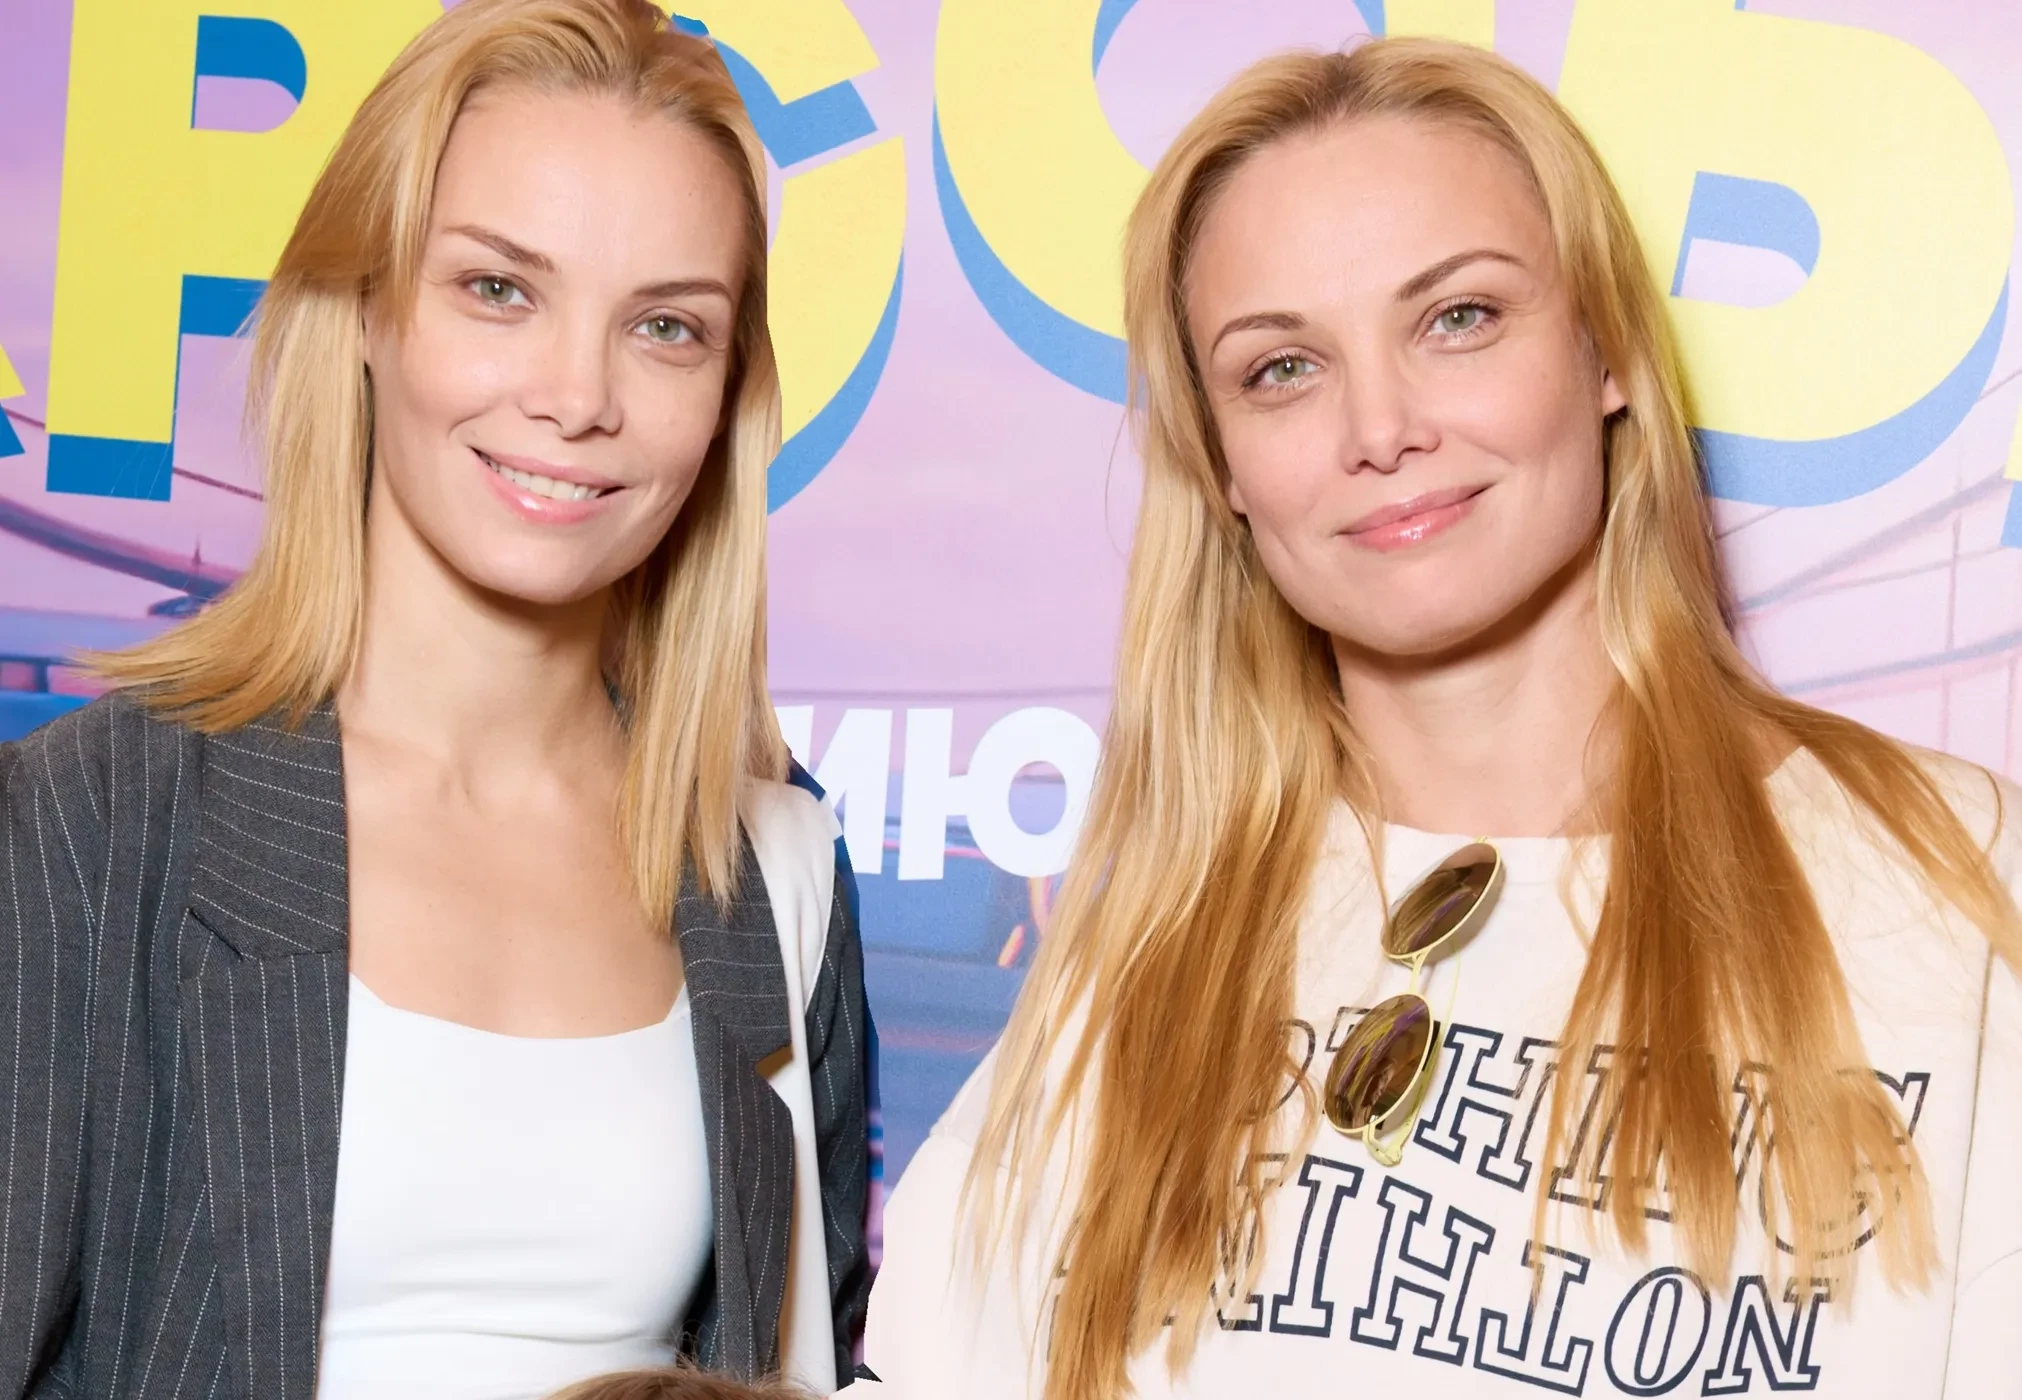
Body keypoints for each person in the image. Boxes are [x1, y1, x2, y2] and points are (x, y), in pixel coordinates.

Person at [862, 37, 2022, 1400]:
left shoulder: (1961, 876)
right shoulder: (1138, 959)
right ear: (1221, 466)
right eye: (1281, 369)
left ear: (1603, 349)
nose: (1381, 426)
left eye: (1458, 317)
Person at [0, 2, 870, 1397]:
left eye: (665, 326)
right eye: (499, 289)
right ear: (364, 308)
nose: (576, 397)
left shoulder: (771, 871)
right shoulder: (84, 828)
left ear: (725, 399)